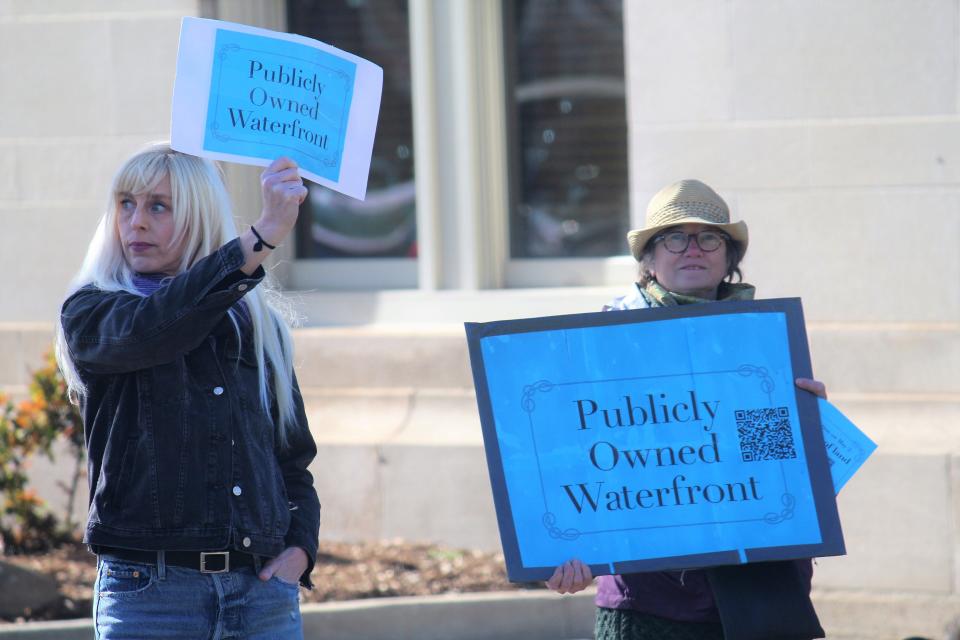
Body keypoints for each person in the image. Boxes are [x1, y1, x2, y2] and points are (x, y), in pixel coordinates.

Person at [55, 143, 321, 639]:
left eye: (158, 205)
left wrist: (299, 550)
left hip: (261, 596)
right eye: (125, 203)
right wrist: (258, 240)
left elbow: (291, 461)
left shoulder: (259, 326)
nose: (136, 221)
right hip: (149, 597)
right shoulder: (92, 312)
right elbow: (158, 329)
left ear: (199, 216)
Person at [547, 179, 827, 640]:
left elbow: (772, 470)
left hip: (760, 593)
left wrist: (806, 429)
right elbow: (574, 458)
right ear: (650, 259)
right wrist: (561, 548)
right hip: (654, 602)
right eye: (674, 237)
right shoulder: (601, 345)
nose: (692, 249)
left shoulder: (761, 343)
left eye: (709, 237)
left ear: (728, 257)